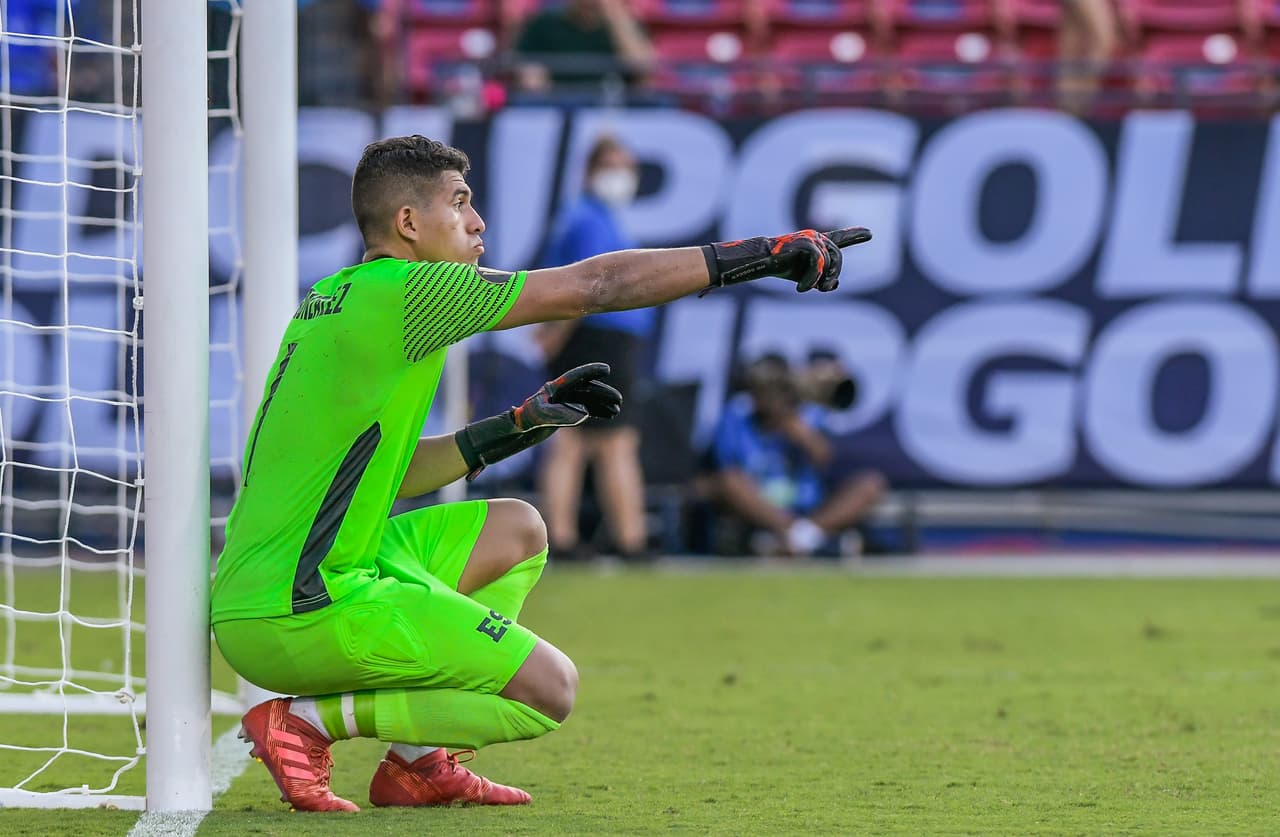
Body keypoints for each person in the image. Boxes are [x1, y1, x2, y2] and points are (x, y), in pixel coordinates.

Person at [209, 133, 871, 813]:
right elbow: (594, 286)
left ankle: (417, 761)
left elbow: (395, 475)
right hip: (299, 611)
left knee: (517, 528)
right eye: (459, 203)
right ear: (408, 224)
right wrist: (760, 255)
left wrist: (517, 425)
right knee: (549, 690)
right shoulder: (411, 291)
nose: (478, 222)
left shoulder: (336, 297)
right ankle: (310, 723)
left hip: (271, 589)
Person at [535, 136, 652, 559]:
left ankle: (570, 538)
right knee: (601, 442)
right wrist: (555, 337)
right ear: (590, 171)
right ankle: (624, 539)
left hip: (601, 337)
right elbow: (586, 291)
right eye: (614, 166)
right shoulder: (590, 220)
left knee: (580, 441)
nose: (622, 176)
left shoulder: (591, 216)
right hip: (597, 337)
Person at [706, 353, 886, 558]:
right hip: (761, 509)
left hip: (811, 510)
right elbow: (727, 469)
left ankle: (800, 537)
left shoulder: (807, 415)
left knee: (870, 484)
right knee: (729, 482)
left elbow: (824, 458)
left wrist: (791, 424)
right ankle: (802, 538)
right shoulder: (737, 416)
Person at [512, 0, 654, 92]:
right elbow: (527, 74)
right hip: (556, 107)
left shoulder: (626, 25)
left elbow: (645, 69)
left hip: (615, 112)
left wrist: (615, 14)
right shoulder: (543, 23)